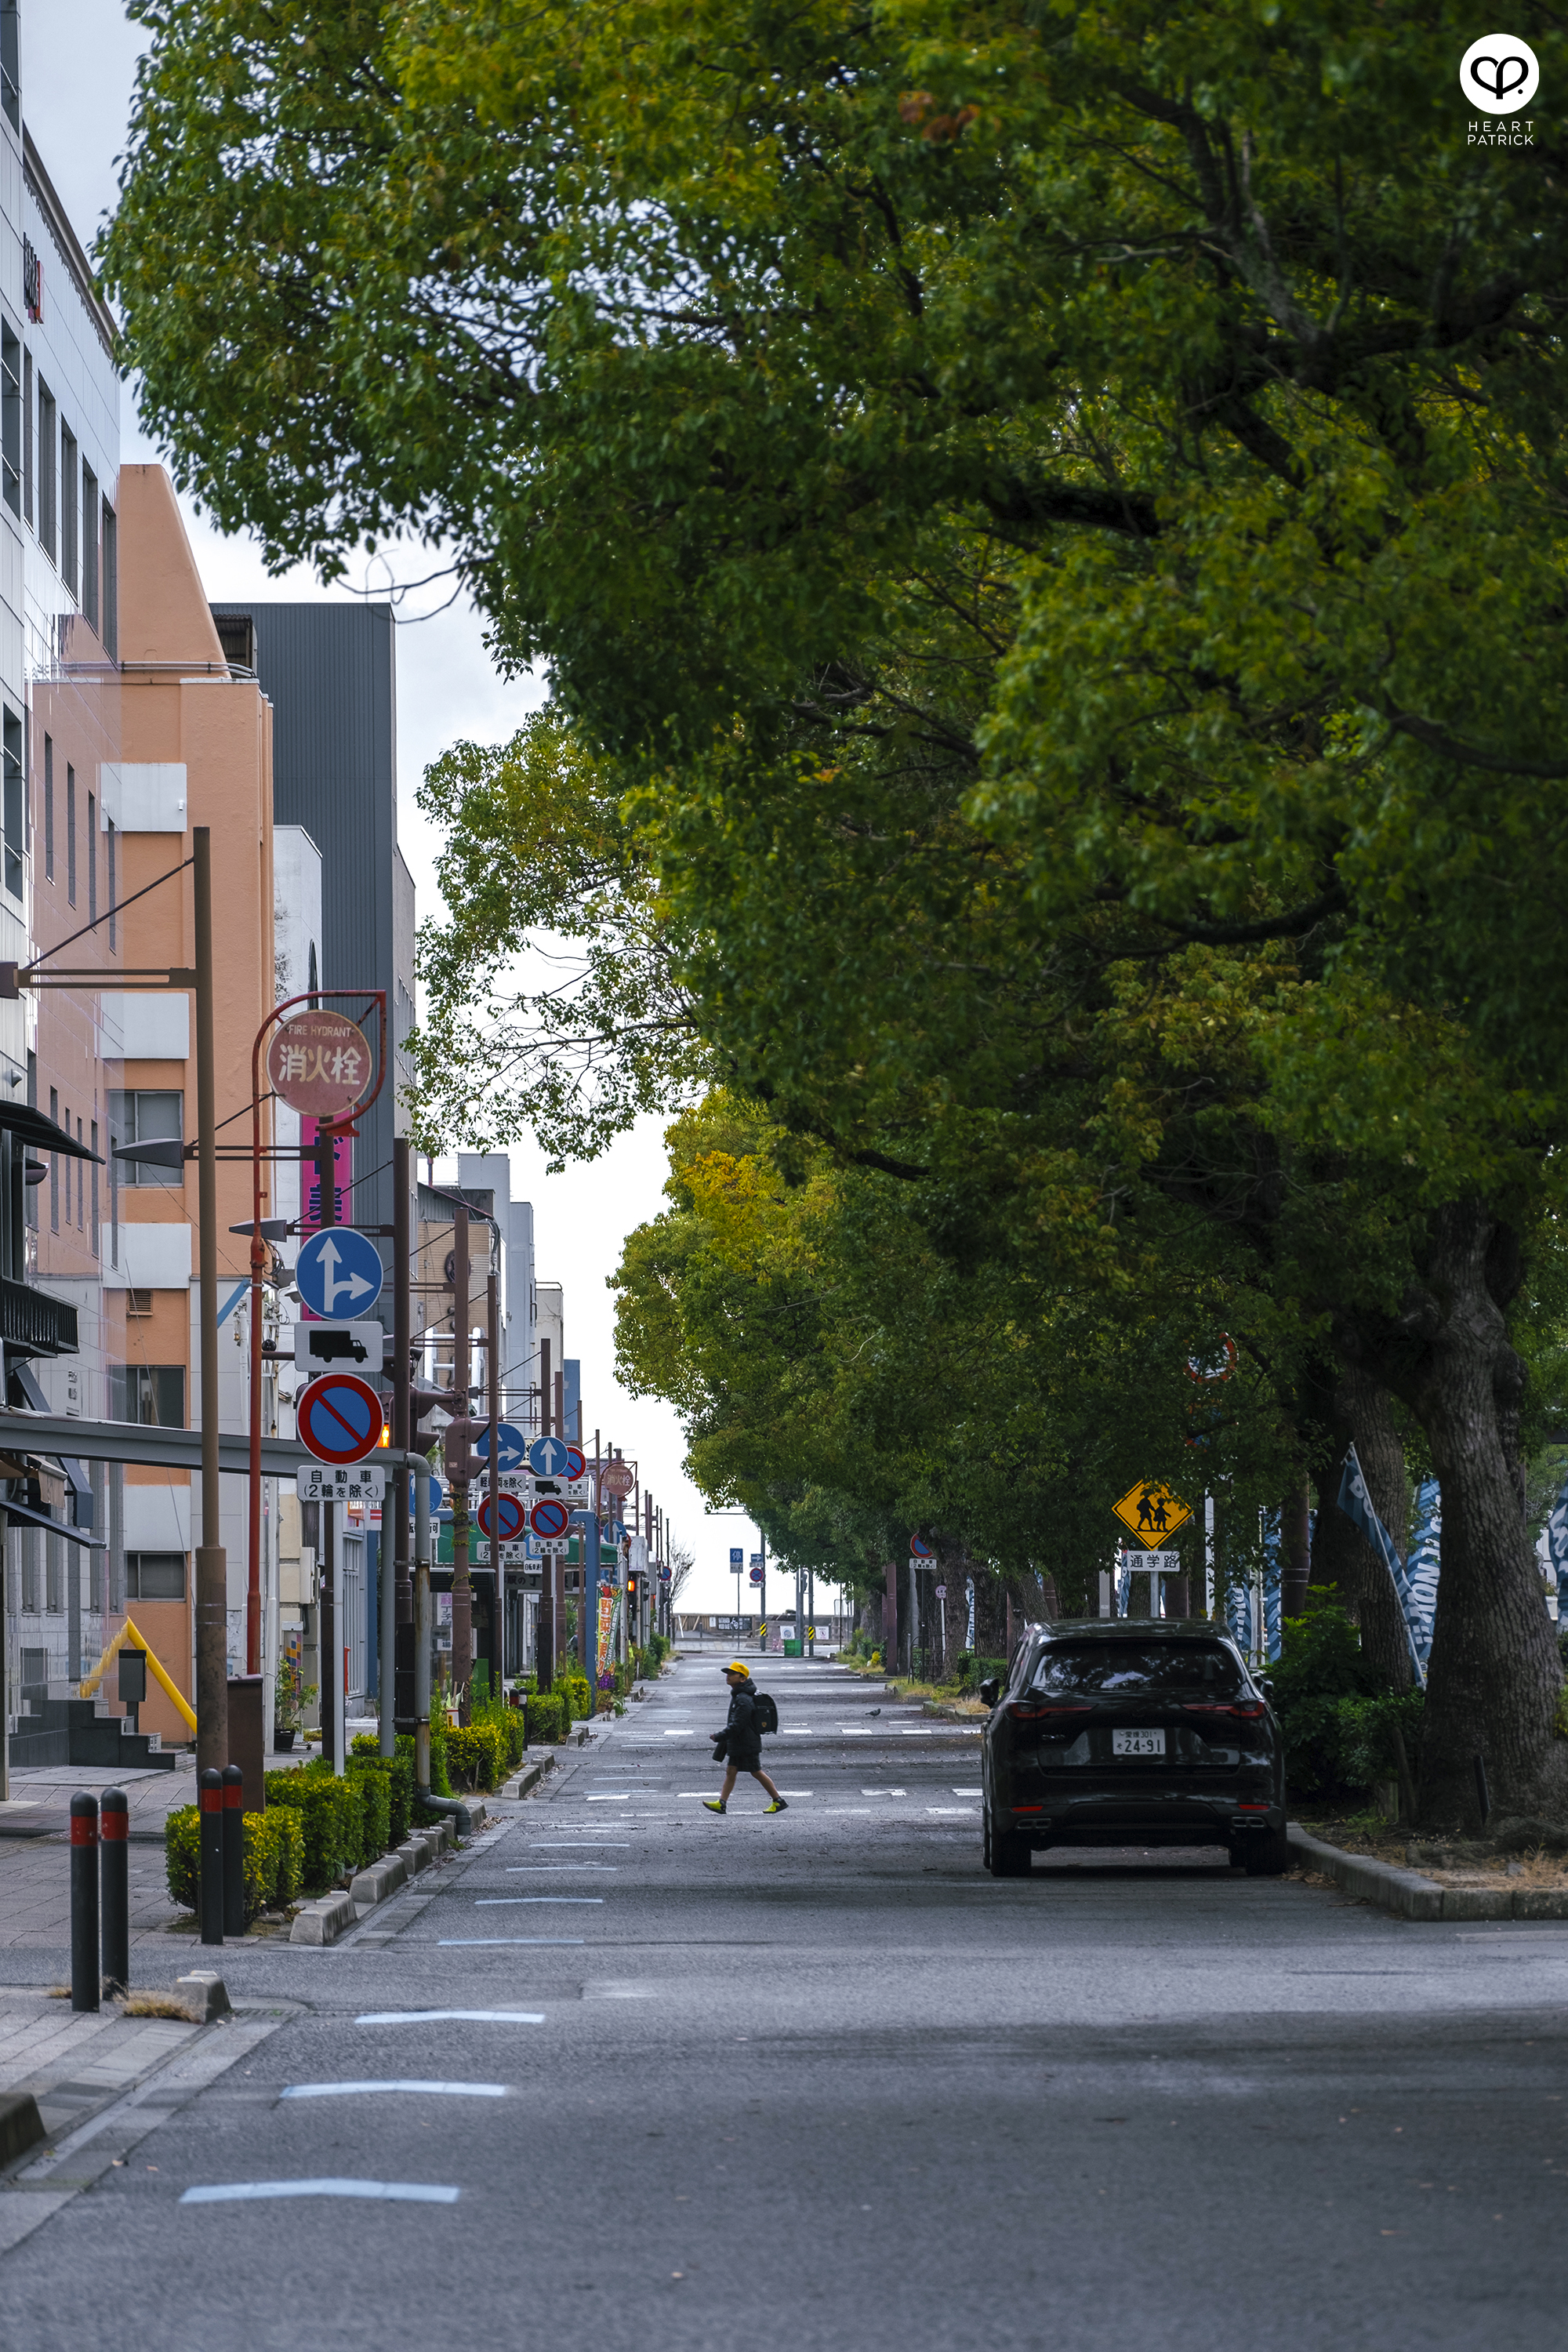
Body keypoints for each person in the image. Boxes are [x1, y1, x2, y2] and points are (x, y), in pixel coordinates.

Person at [704, 1661, 786, 1814]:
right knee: (731, 1771)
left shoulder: (743, 1698)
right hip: (741, 1743)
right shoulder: (739, 1695)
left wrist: (720, 1736)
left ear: (742, 1679)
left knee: (756, 1771)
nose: (728, 1676)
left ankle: (778, 1801)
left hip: (746, 1743)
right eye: (727, 1674)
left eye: (732, 1674)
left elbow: (738, 1724)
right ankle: (722, 1803)